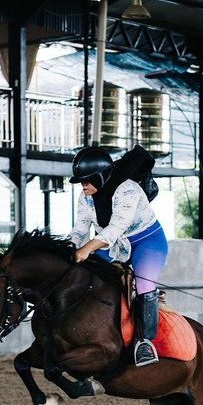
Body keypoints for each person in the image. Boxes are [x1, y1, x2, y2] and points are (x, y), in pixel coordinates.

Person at [68, 145, 168, 367]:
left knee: (143, 283)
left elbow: (113, 230)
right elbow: (80, 230)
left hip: (147, 242)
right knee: (84, 272)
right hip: (115, 244)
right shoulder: (86, 197)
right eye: (81, 181)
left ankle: (144, 342)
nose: (83, 185)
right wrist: (67, 248)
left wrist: (85, 249)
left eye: (87, 180)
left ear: (102, 176)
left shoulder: (127, 190)